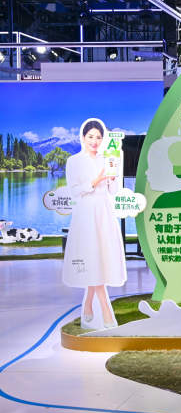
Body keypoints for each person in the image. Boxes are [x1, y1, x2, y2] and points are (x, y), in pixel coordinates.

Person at [62, 120, 126, 328]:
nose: (94, 141)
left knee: (100, 256)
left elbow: (113, 191)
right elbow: (74, 191)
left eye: (98, 137)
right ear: (83, 138)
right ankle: (105, 310)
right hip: (85, 213)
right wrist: (96, 180)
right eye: (90, 136)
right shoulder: (74, 161)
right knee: (91, 256)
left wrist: (113, 178)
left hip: (104, 212)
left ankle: (88, 302)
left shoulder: (106, 160)